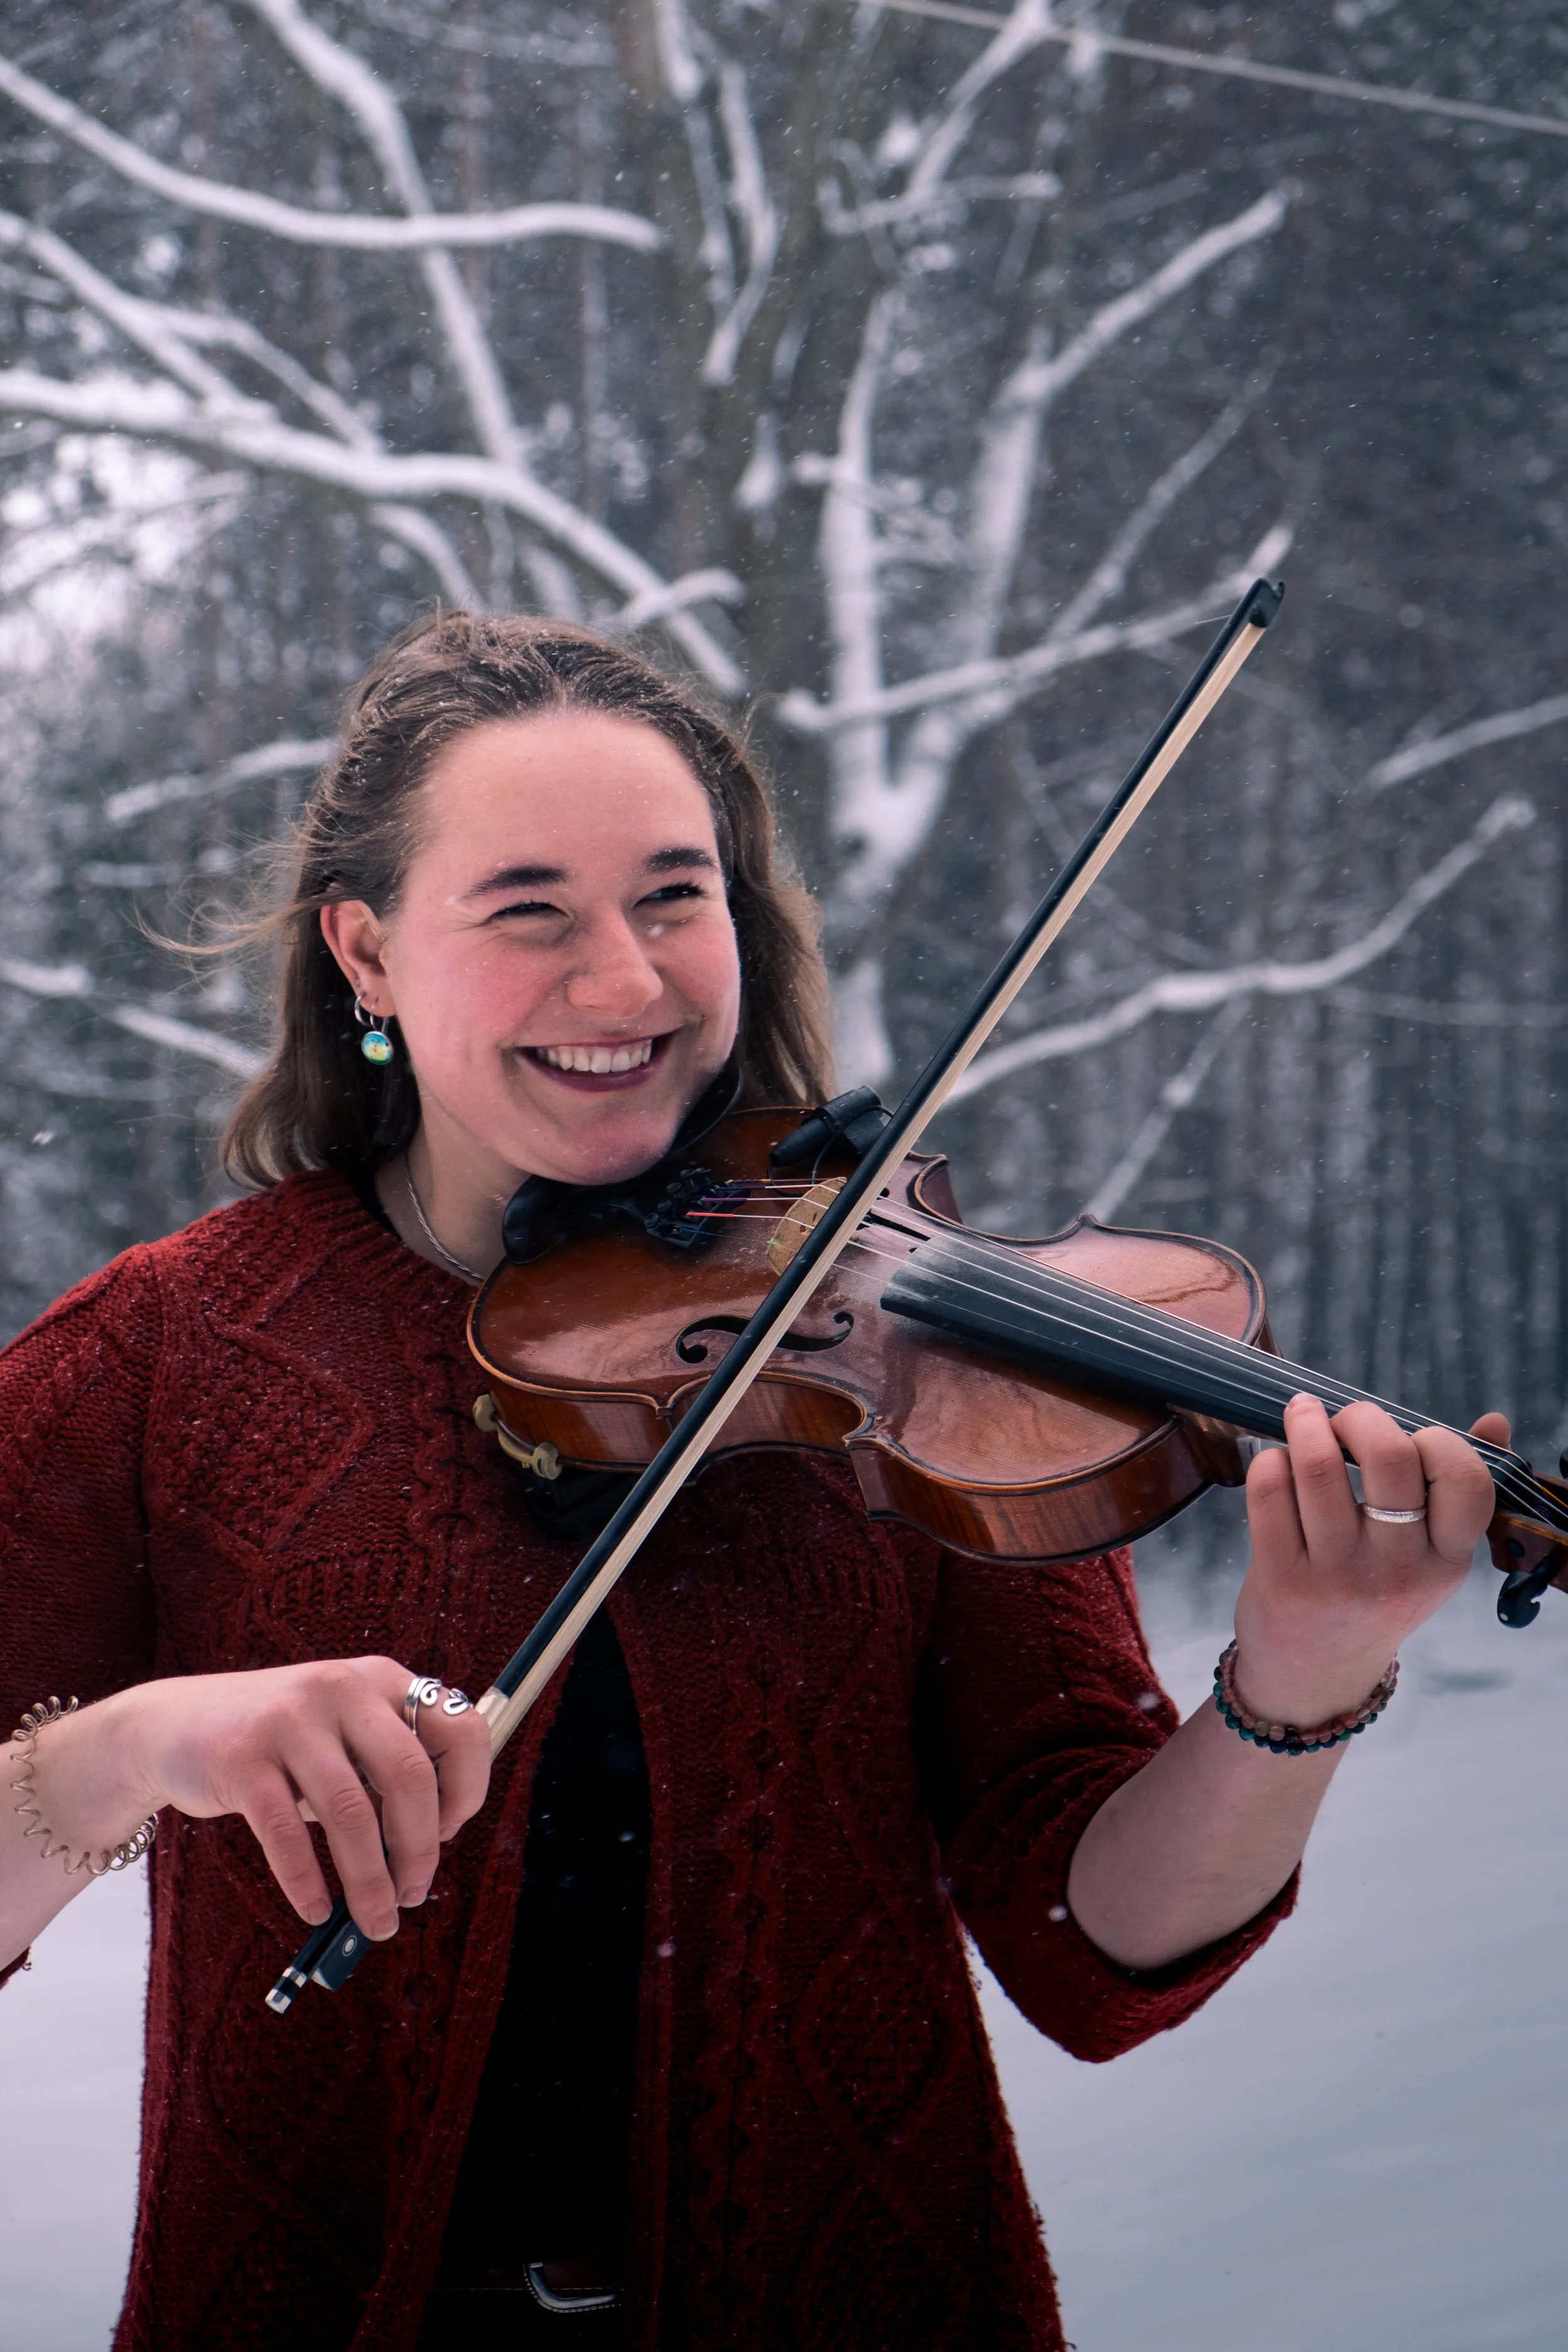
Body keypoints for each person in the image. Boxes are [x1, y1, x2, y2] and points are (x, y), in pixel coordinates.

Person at [0, 613, 1506, 2352]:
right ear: (367, 951)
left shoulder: (918, 1348)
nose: (626, 983)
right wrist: (124, 1747)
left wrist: (1294, 1686)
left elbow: (1090, 1943)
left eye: (671, 897)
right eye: (527, 910)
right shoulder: (175, 1353)